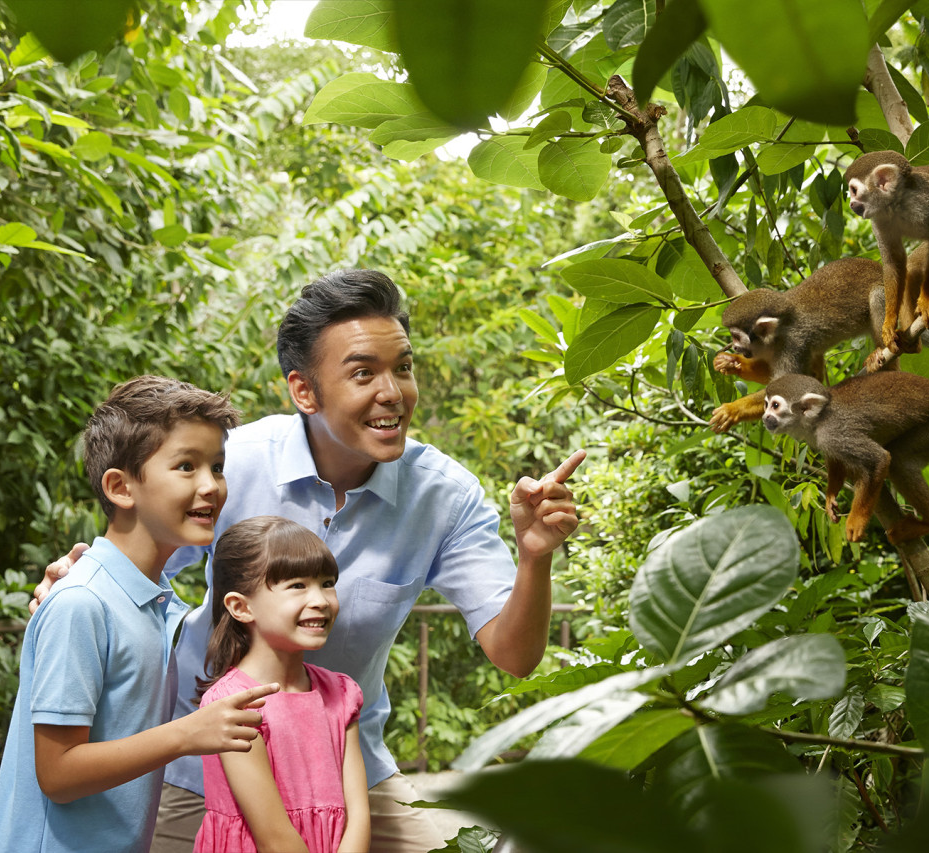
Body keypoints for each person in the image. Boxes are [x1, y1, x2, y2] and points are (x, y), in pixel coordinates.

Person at [35, 270, 585, 853]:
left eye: (403, 366)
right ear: (304, 390)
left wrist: (534, 559)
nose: (393, 392)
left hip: (349, 772)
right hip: (210, 764)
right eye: (362, 373)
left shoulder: (445, 496)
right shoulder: (229, 465)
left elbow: (515, 654)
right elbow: (138, 570)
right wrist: (76, 584)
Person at [0, 376, 281, 853]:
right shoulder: (82, 603)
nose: (211, 485)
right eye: (186, 466)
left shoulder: (153, 603)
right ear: (121, 487)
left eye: (218, 467)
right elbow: (58, 773)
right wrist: (187, 734)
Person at [194, 515, 370, 853]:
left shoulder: (342, 694)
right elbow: (273, 838)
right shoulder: (233, 705)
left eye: (327, 582)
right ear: (240, 607)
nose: (320, 599)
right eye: (297, 586)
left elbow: (359, 813)